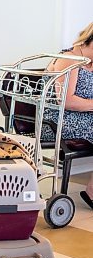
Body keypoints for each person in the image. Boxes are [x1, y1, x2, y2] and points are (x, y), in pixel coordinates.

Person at [41, 22, 93, 209]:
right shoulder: (69, 59)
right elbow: (67, 101)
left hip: (83, 118)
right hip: (58, 120)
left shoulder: (88, 63)